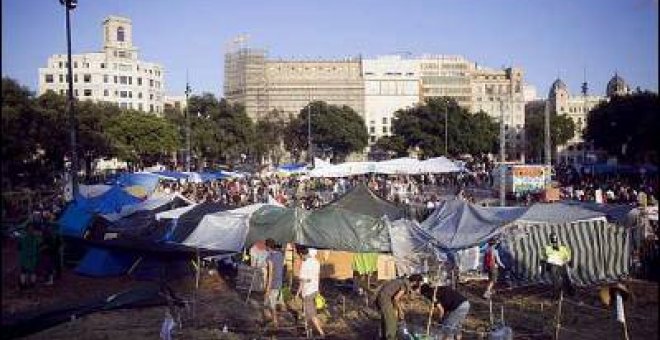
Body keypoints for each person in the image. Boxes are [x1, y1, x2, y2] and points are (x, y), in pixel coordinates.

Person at [375, 274, 423, 340]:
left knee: (387, 321)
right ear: (415, 282)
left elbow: (396, 298)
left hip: (383, 299)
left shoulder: (402, 281)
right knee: (391, 324)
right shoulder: (405, 284)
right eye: (420, 283)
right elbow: (396, 299)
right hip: (385, 300)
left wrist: (398, 309)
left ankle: (384, 337)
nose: (420, 285)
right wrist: (400, 311)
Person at [297, 248, 325, 338]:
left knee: (311, 314)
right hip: (314, 290)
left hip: (307, 292)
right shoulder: (316, 262)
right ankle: (309, 332)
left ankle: (321, 333)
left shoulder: (305, 264)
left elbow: (302, 281)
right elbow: (317, 276)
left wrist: (297, 293)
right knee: (308, 313)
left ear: (301, 254)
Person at [263, 239, 285, 328]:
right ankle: (270, 320)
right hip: (279, 282)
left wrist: (267, 288)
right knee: (266, 304)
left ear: (268, 247)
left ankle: (275, 323)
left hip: (272, 284)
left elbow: (270, 273)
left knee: (272, 305)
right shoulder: (280, 255)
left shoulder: (270, 258)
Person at [19, 223, 41, 290]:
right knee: (26, 271)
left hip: (31, 257)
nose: (30, 230)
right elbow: (19, 247)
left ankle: (29, 284)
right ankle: (25, 284)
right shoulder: (25, 238)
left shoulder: (35, 238)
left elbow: (19, 247)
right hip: (26, 257)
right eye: (29, 228)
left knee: (30, 271)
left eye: (31, 229)